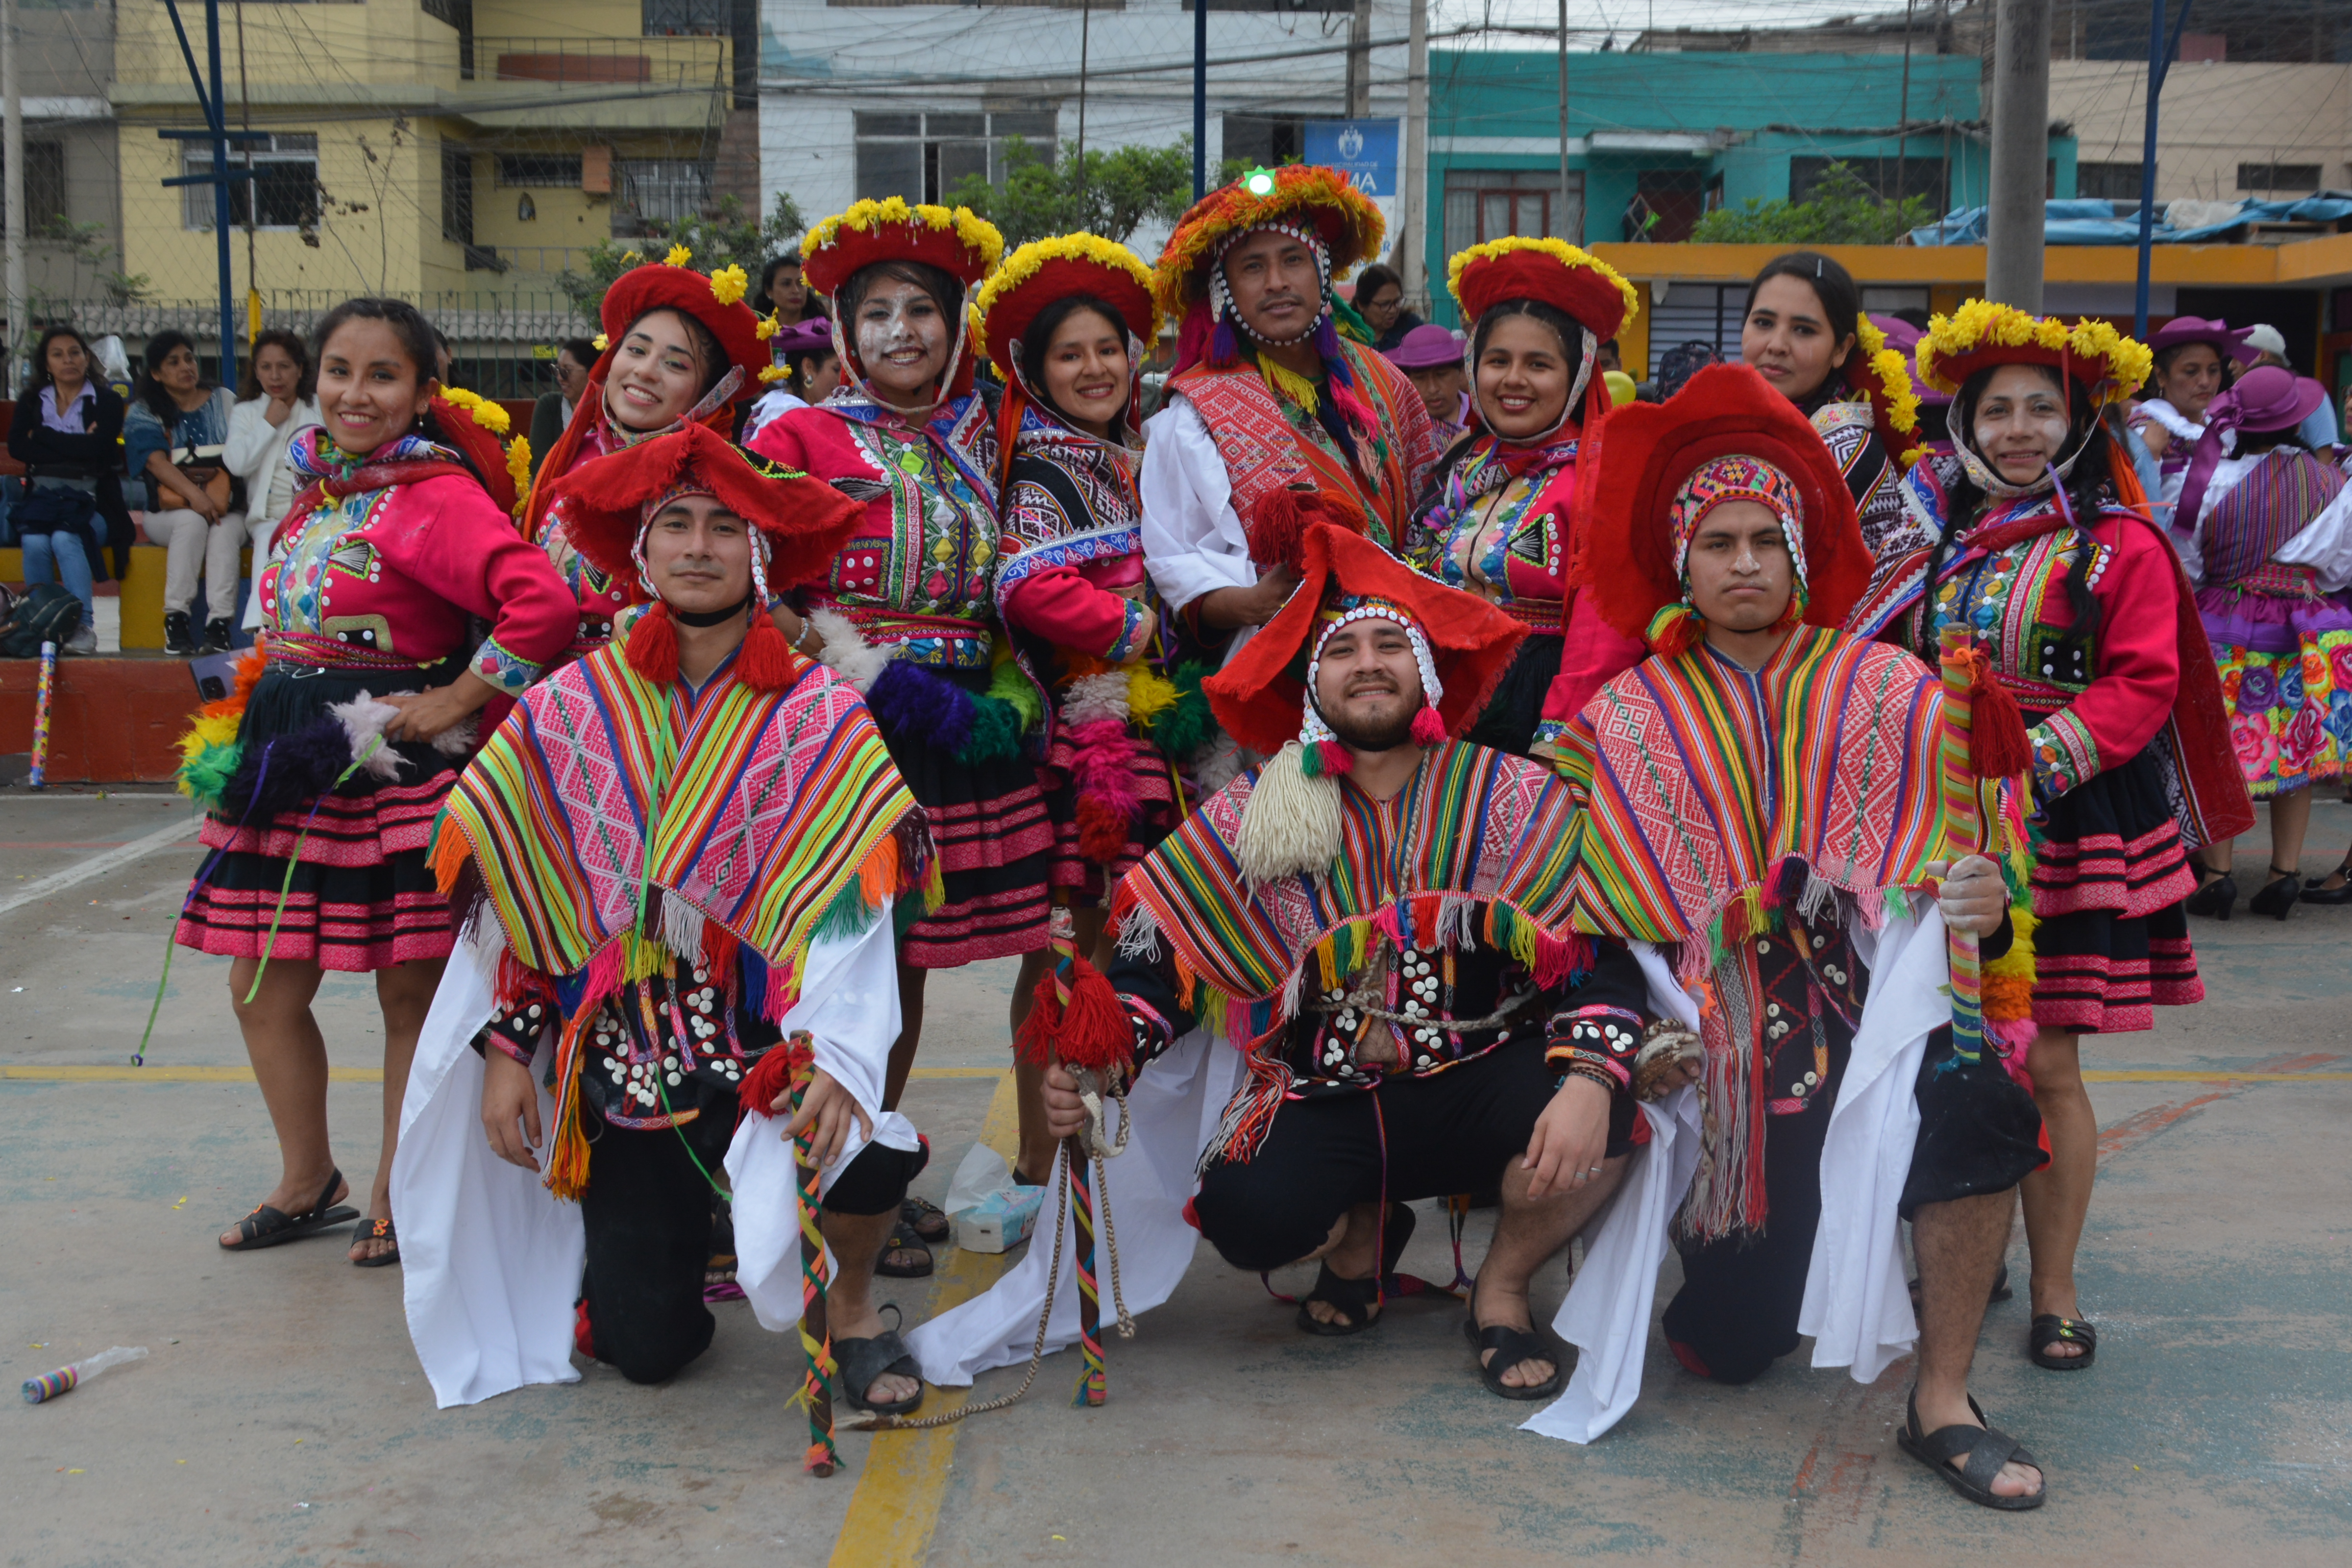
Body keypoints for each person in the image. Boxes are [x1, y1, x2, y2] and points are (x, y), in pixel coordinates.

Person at [910, 523, 1652, 1403]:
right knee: (1247, 1218)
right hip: (1320, 1093)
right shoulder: (1255, 812)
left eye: (1390, 645)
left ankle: (1502, 1288)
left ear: (1425, 672)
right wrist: (1105, 1058)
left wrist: (1590, 1083)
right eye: (1343, 650)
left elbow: (1599, 958)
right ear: (1311, 683)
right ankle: (1356, 1238)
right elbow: (1163, 968)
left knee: (1611, 1106)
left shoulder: (1510, 793)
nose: (1368, 664)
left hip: (1476, 1080)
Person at [1536, 361, 2048, 1511]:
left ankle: (1943, 1397)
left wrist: (1983, 900)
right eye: (1717, 543)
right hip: (1722, 1055)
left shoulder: (1898, 689)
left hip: (1873, 1015)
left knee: (1979, 1097)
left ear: (1801, 557)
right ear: (1683, 561)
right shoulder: (1616, 722)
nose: (1744, 564)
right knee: (1724, 1345)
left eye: (1765, 541)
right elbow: (1597, 921)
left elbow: (1984, 862)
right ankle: (1824, 1257)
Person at [392, 423, 937, 1411]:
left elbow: (858, 911)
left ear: (758, 553)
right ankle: (659, 1269)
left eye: (724, 527)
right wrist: (514, 1050)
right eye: (675, 524)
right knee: (645, 1348)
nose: (697, 546)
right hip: (632, 1057)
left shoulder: (819, 713)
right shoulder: (565, 706)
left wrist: (841, 1057)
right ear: (641, 552)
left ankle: (851, 1312)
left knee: (867, 1142)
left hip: (774, 1047)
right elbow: (518, 897)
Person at [1851, 300, 2253, 1373]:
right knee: (1934, 1051)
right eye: (1997, 411)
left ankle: (2057, 1288)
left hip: (2065, 817)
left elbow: (2143, 685)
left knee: (2050, 1062)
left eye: (2041, 409)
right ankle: (1960, 1257)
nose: (2018, 428)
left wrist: (2034, 769)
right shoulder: (1926, 538)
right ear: (1965, 424)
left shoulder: (2119, 546)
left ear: (2079, 424)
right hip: (1937, 821)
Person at [174, 297, 574, 1268]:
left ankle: (398, 1190)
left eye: (382, 375)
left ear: (424, 392)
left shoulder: (435, 495)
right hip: (292, 754)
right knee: (261, 984)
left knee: (409, 991)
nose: (356, 393)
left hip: (391, 759)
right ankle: (308, 1177)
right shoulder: (319, 485)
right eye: (339, 371)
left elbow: (544, 605)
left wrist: (457, 697)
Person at [750, 198, 1055, 1274]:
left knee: (910, 966)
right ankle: (833, 1185)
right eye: (873, 313)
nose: (899, 331)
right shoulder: (797, 430)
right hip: (848, 726)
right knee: (845, 964)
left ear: (954, 324)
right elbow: (756, 568)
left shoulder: (987, 435)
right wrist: (827, 663)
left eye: (920, 310)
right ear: (840, 331)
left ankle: (871, 1172)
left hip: (959, 722)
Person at [975, 233, 1199, 1185]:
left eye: (1107, 350)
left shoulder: (1134, 450)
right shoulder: (1049, 467)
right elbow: (1025, 588)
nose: (1094, 368)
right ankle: (1042, 1150)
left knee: (1112, 935)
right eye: (1069, 355)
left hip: (1142, 728)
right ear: (1036, 369)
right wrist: (1131, 627)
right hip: (1087, 731)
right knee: (1070, 939)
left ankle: (1086, 1137)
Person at [1140, 165, 1443, 668]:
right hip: (1281, 662)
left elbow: (1432, 507)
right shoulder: (1194, 412)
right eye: (1253, 267)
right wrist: (1250, 602)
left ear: (1322, 269)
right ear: (1226, 290)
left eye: (1293, 260)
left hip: (1407, 646)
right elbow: (1174, 556)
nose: (1277, 282)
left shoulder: (1386, 379)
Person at [1404, 236, 1645, 755]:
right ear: (1474, 367)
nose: (1514, 380)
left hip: (1535, 714)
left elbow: (1606, 629)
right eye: (1498, 361)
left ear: (1577, 376)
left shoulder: (1603, 479)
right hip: (1437, 704)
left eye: (1539, 364)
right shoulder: (1462, 468)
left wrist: (1564, 733)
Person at [2165, 366, 2352, 918]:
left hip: (2223, 622)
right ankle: (2284, 874)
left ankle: (2218, 875)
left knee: (2219, 748)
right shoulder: (2336, 486)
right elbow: (2341, 567)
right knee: (2296, 749)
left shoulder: (2202, 481)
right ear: (2299, 420)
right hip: (2305, 628)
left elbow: (2188, 563)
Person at [522, 257, 768, 664]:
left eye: (675, 364)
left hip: (644, 690)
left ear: (710, 395)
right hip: (539, 685)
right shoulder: (573, 454)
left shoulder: (720, 482)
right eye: (635, 350)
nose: (645, 371)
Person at [1739, 251, 1924, 560]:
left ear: (1841, 349)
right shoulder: (1720, 422)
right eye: (1763, 323)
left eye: (1804, 330)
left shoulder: (1853, 455)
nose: (1776, 345)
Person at [7, 325, 133, 655]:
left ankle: (81, 625)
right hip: (43, 503)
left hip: (93, 507)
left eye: (75, 352)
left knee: (65, 538)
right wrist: (80, 445)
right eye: (58, 355)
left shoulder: (106, 400)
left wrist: (45, 437)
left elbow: (102, 449)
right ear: (46, 364)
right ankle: (43, 620)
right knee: (34, 541)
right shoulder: (33, 401)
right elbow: (20, 447)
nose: (69, 360)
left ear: (86, 358)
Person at [126, 329, 243, 654]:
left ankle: (219, 626)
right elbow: (155, 463)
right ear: (156, 373)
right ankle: (176, 619)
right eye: (173, 362)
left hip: (227, 509)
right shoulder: (144, 411)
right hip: (166, 513)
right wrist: (197, 496)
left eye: (189, 358)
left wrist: (212, 502)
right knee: (192, 523)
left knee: (223, 531)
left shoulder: (224, 401)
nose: (185, 367)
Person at [224, 328, 323, 637]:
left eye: (283, 366)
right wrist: (269, 423)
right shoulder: (247, 412)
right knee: (269, 542)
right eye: (266, 367)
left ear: (301, 369)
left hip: (314, 511)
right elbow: (236, 463)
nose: (275, 375)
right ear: (256, 372)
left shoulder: (319, 407)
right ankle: (262, 631)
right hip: (268, 515)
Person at [2127, 316, 2254, 523]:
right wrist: (2150, 457)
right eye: (2191, 372)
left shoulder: (2226, 427)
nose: (2205, 382)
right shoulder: (2144, 429)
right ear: (2161, 376)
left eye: (2213, 371)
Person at [2241, 323, 2342, 450]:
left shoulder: (2307, 393)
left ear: (2262, 356)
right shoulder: (2240, 396)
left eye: (2239, 358)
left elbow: (2325, 456)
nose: (2231, 366)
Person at [741, 318, 840, 442]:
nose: (842, 379)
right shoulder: (784, 414)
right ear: (808, 367)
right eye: (836, 370)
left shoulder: (789, 408)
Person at [1382, 322, 1471, 448]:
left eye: (1442, 375)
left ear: (1460, 372)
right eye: (1420, 378)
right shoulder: (1398, 426)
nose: (1433, 389)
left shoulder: (1483, 415)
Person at [525, 336, 598, 479]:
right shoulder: (550, 406)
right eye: (557, 370)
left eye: (567, 371)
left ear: (593, 372)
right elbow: (538, 464)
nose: (560, 377)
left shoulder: (609, 410)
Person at [1351, 262, 1421, 352]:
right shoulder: (1347, 333)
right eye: (1385, 304)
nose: (1393, 310)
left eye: (1397, 301)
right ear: (1361, 304)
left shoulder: (1411, 327)